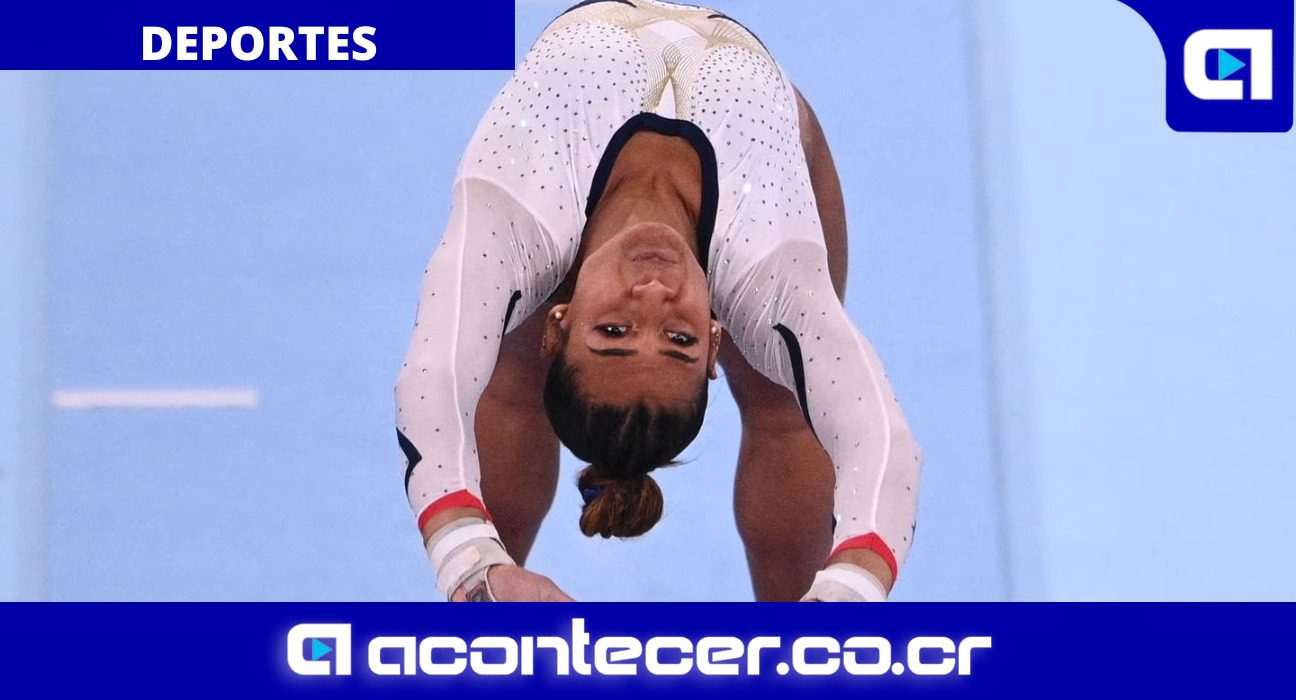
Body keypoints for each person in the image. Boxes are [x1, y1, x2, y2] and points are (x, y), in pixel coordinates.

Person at [395, 0, 922, 602]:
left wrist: (467, 563)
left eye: (613, 332)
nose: (653, 296)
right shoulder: (772, 274)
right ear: (717, 335)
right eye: (679, 339)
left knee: (505, 373)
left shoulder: (513, 217)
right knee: (793, 406)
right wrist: (852, 591)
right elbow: (879, 437)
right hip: (775, 166)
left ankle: (479, 615)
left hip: (562, 221)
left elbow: (433, 377)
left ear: (560, 322)